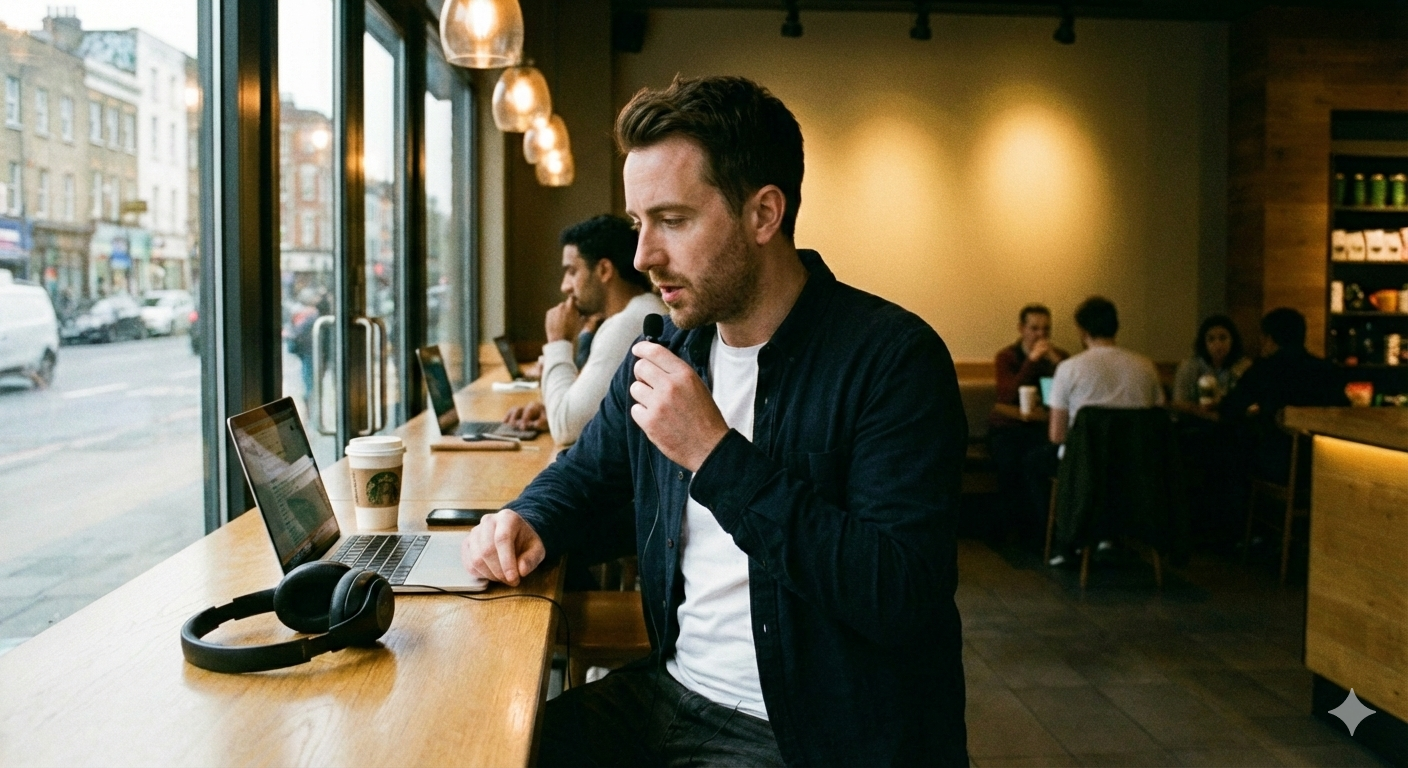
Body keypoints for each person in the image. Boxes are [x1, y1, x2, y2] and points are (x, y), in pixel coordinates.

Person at [463, 75, 968, 766]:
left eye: (671, 220)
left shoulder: (892, 361)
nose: (643, 257)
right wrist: (527, 518)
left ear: (763, 214)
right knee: (482, 750)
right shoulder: (666, 353)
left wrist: (715, 453)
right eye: (640, 224)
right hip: (669, 696)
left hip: (814, 736)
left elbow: (899, 595)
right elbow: (582, 477)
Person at [502, 215, 666, 445]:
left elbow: (567, 430)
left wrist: (557, 341)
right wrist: (551, 412)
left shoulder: (627, 324)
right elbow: (583, 416)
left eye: (572, 271)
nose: (564, 286)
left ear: (603, 270)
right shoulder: (639, 311)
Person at [1025, 296, 1164, 562]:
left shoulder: (1069, 369)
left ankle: (1064, 540)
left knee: (1034, 463)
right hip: (1139, 467)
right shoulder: (1146, 367)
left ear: (1081, 330)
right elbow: (1158, 416)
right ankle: (1108, 537)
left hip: (1087, 467)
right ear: (1116, 326)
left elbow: (1057, 436)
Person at [1219, 308, 1347, 483]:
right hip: (1323, 463)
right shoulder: (1326, 369)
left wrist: (1256, 413)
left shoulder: (1264, 369)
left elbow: (1229, 408)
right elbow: (1343, 409)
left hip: (1278, 464)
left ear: (1269, 339)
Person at [987, 304, 1067, 540]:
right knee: (1011, 457)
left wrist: (1055, 362)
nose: (1041, 335)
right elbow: (1006, 395)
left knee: (1039, 458)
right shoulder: (1007, 357)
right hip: (1008, 428)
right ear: (1022, 329)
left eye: (1046, 329)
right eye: (1034, 329)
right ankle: (1019, 531)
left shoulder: (1059, 358)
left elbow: (1070, 390)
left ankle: (1044, 531)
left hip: (1042, 428)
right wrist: (1031, 361)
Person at [1171, 314, 1249, 415]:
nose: (1218, 344)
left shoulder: (1243, 366)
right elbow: (1178, 402)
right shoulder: (1189, 367)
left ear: (1232, 340)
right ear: (1204, 343)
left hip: (1230, 422)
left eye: (1223, 338)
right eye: (1211, 339)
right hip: (1196, 421)